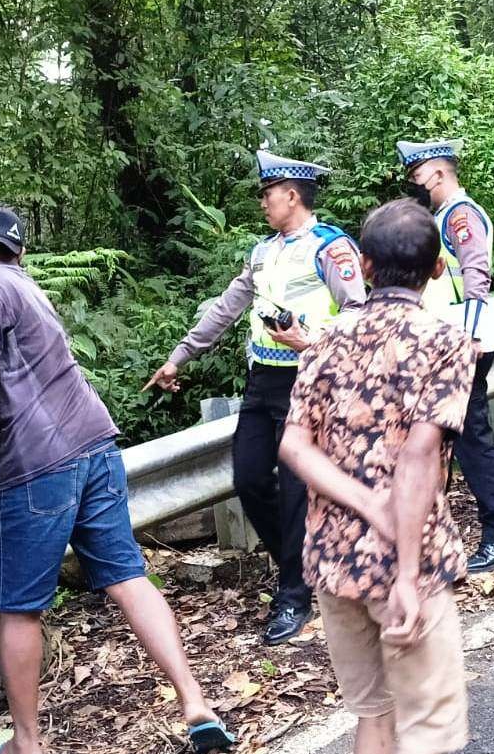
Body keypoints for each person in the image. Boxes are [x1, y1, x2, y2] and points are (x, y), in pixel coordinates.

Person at [0, 206, 235, 754]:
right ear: (18, 251)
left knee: (18, 611)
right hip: (95, 447)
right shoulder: (24, 288)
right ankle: (194, 701)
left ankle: (26, 746)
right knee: (128, 577)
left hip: (37, 466)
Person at [280, 199, 475, 754]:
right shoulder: (445, 339)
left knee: (373, 715)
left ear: (362, 265)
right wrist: (406, 573)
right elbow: (421, 456)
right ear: (434, 269)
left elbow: (293, 443)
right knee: (430, 731)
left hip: (331, 562)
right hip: (402, 566)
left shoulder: (330, 336)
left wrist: (359, 501)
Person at [145, 151, 367, 644]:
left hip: (309, 382)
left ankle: (294, 594)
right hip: (262, 382)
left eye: (267, 194)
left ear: (292, 195)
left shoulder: (332, 248)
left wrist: (312, 341)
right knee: (249, 479)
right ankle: (301, 563)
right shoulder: (262, 252)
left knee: (293, 491)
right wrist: (179, 357)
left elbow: (358, 313)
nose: (263, 202)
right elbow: (226, 309)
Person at [396, 139, 494, 575]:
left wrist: (467, 339)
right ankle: (439, 541)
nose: (414, 186)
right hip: (445, 345)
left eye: (417, 178)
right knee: (445, 446)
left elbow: (475, 276)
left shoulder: (460, 215)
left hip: (461, 346)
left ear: (437, 173)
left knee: (473, 443)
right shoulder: (441, 217)